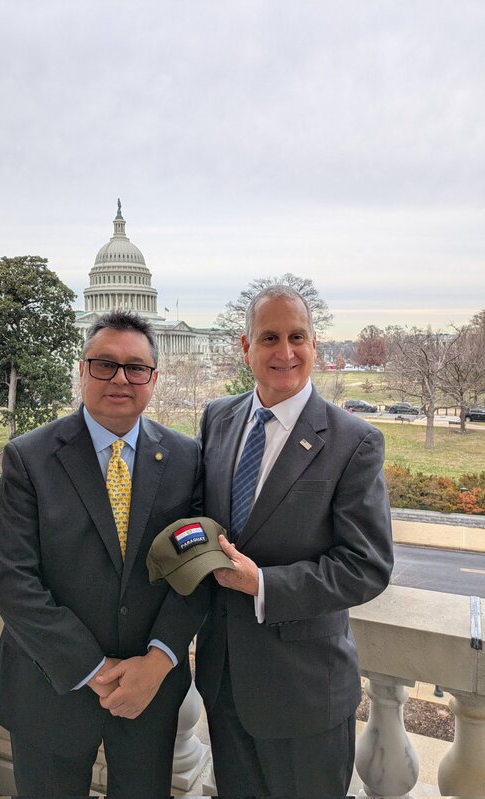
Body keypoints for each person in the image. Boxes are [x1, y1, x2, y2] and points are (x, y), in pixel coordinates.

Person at [0, 310, 205, 798]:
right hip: (50, 685)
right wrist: (96, 670)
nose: (121, 378)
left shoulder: (186, 458)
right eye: (104, 364)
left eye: (136, 368)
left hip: (150, 687)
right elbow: (13, 582)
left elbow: (196, 571)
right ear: (82, 370)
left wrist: (159, 660)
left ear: (153, 379)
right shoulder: (30, 457)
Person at [195, 286, 393, 799]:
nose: (285, 352)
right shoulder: (218, 417)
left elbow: (366, 566)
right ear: (245, 347)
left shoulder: (355, 441)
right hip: (224, 682)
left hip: (305, 694)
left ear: (314, 344)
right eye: (269, 338)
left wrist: (262, 583)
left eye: (297, 337)